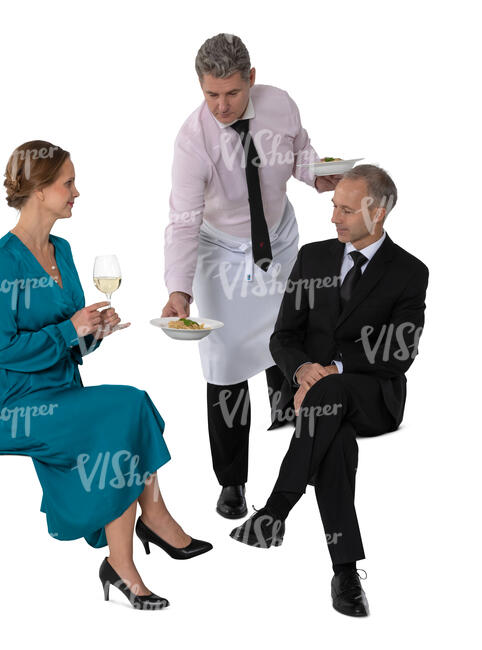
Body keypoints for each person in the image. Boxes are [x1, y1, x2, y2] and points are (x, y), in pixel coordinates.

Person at [0, 140, 212, 611]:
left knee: (128, 413)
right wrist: (70, 328)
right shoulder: (3, 261)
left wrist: (93, 332)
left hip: (62, 391)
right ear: (40, 189)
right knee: (126, 406)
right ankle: (155, 515)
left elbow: (71, 341)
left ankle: (121, 565)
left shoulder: (61, 250)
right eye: (67, 183)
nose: (76, 192)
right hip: (15, 406)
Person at [229, 165, 429, 617]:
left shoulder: (410, 272)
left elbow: (399, 351)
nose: (333, 218)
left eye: (344, 208)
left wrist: (332, 369)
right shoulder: (313, 257)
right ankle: (345, 573)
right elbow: (283, 337)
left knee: (331, 395)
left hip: (374, 397)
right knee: (332, 441)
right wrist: (303, 372)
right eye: (332, 206)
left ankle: (277, 507)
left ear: (376, 213)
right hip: (317, 400)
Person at [161, 33, 341, 519]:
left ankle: (293, 439)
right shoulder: (192, 140)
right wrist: (178, 289)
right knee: (223, 362)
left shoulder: (280, 105)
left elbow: (300, 153)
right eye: (210, 95)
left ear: (251, 80)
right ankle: (233, 481)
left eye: (232, 93)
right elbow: (182, 219)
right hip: (221, 253)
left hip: (278, 240)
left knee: (289, 339)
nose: (221, 105)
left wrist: (317, 175)